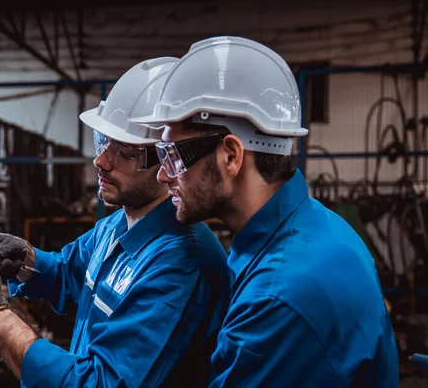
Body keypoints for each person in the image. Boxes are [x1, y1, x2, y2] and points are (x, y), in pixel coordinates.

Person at [0, 57, 231, 388]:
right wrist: (22, 259)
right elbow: (69, 273)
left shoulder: (180, 263)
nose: (101, 160)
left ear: (169, 159)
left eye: (126, 152)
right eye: (103, 140)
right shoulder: (117, 226)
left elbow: (98, 384)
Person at [134, 36, 400, 386]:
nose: (164, 174)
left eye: (172, 155)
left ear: (231, 155)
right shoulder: (307, 226)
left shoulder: (280, 293)